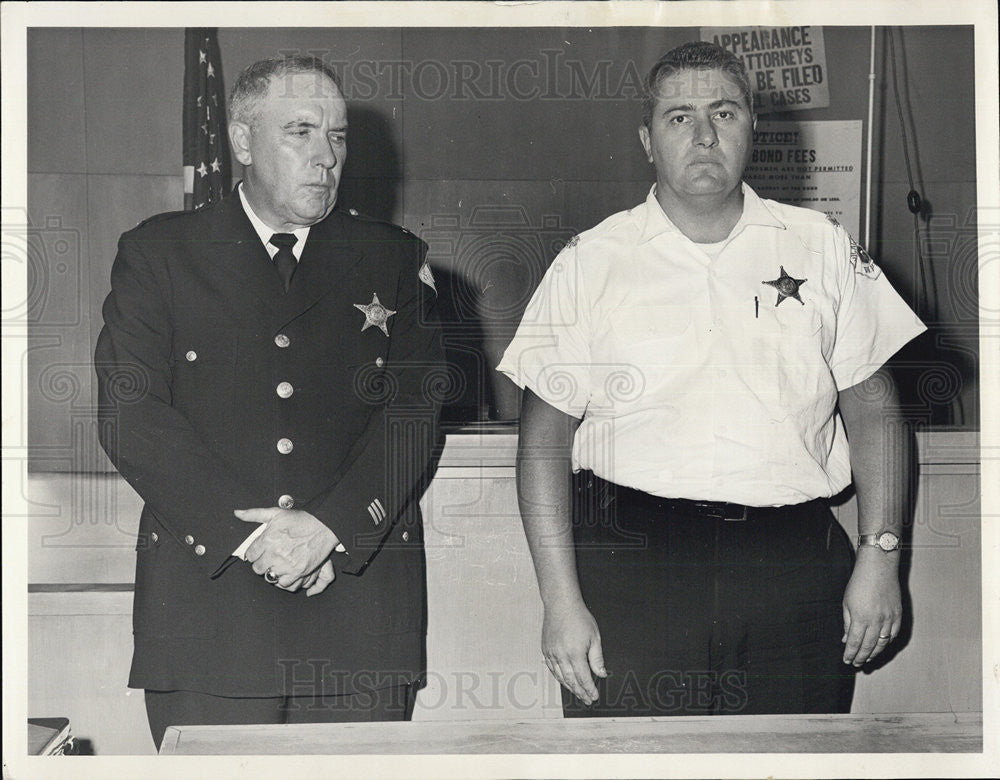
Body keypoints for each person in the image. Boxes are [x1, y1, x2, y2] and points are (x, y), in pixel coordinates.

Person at [497, 41, 925, 717]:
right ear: (647, 139)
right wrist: (560, 600)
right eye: (678, 117)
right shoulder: (591, 260)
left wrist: (882, 555)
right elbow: (543, 442)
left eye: (724, 113)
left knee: (791, 764)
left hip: (793, 562)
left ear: (753, 126)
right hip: (633, 561)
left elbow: (875, 413)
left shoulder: (821, 245)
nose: (702, 135)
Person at [95, 55, 445, 749]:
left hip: (357, 610)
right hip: (210, 612)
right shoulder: (161, 254)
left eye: (338, 137)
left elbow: (415, 414)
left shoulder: (393, 260)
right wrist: (254, 537)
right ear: (244, 142)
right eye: (301, 132)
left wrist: (331, 529)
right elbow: (130, 415)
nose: (325, 158)